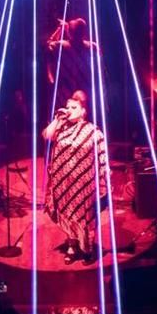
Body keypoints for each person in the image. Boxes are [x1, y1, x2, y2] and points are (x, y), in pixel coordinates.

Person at [43, 90, 108, 265]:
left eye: (74, 107)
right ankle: (71, 246)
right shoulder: (61, 128)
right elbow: (47, 135)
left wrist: (105, 177)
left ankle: (88, 248)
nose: (69, 110)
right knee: (67, 213)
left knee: (84, 216)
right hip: (63, 182)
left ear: (83, 111)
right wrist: (58, 118)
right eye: (68, 107)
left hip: (84, 184)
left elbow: (102, 155)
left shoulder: (92, 130)